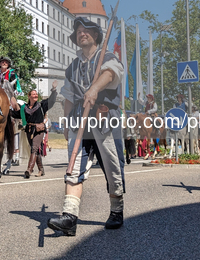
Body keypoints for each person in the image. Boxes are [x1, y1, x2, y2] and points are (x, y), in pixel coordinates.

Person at [47, 17, 125, 236]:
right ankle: (69, 217)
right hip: (80, 119)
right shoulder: (72, 66)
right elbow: (69, 96)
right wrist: (65, 122)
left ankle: (116, 211)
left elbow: (111, 74)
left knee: (112, 166)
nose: (82, 33)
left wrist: (94, 89)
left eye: (86, 31)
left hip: (103, 118)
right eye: (79, 31)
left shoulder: (108, 57)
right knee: (74, 165)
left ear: (96, 35)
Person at [10, 82, 57, 178]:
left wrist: (54, 90)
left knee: (34, 148)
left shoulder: (41, 105)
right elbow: (15, 114)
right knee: (35, 150)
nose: (35, 95)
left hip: (39, 130)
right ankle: (41, 170)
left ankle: (29, 169)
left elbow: (51, 101)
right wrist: (5, 110)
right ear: (29, 96)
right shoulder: (24, 108)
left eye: (36, 94)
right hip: (29, 130)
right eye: (33, 94)